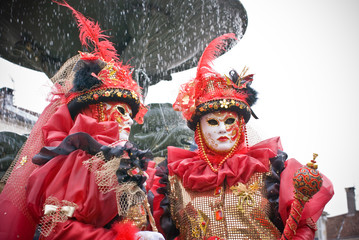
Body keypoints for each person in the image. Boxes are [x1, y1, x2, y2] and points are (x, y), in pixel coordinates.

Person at [0, 2, 163, 240]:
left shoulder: (129, 161)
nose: (128, 119)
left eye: (130, 113)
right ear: (93, 112)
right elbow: (55, 228)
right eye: (120, 110)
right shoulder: (76, 163)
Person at [150, 33, 334, 239]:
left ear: (241, 125)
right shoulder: (174, 178)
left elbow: (302, 226)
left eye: (229, 121)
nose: (222, 129)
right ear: (199, 129)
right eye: (212, 122)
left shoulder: (271, 170)